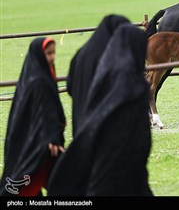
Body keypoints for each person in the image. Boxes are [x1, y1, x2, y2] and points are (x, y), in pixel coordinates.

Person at [48, 24, 153, 196]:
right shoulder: (126, 83)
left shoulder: (88, 58)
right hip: (118, 160)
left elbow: (70, 88)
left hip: (86, 128)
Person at [0, 37, 66, 196]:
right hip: (41, 146)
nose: (52, 57)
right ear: (39, 54)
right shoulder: (39, 81)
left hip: (36, 143)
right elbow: (46, 111)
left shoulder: (33, 75)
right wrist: (53, 137)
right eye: (48, 53)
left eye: (53, 53)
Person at [67, 14, 130, 137]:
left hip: (81, 122)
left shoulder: (81, 53)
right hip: (105, 126)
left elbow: (70, 87)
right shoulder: (111, 57)